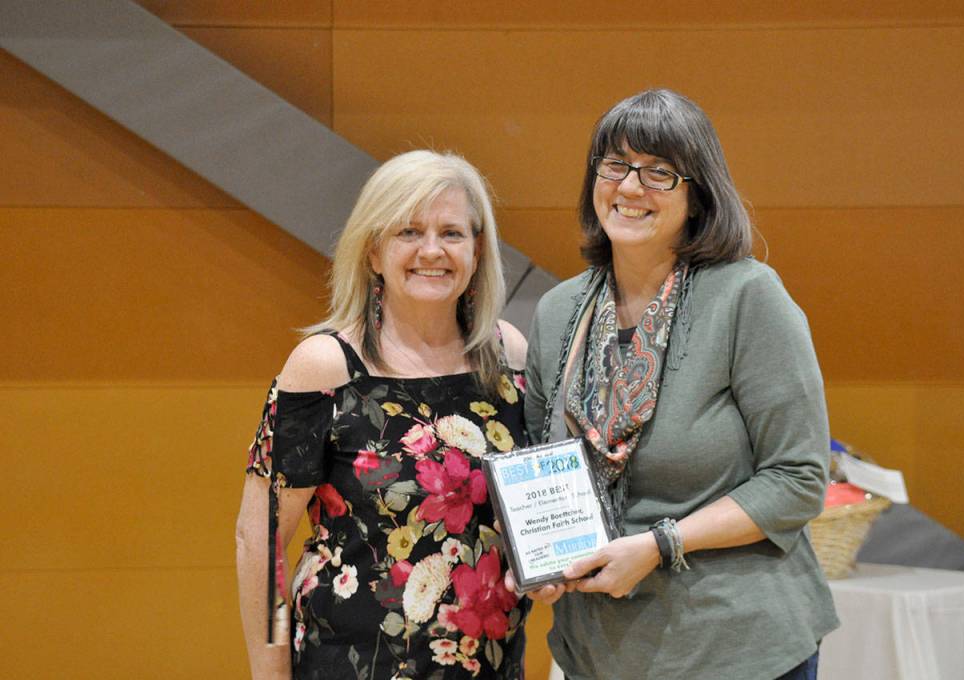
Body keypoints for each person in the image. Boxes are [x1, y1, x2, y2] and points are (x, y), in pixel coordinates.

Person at [519, 89, 839, 679]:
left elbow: (799, 479)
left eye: (659, 172)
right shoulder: (559, 311)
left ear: (697, 196)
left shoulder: (747, 296)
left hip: (738, 650)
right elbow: (544, 465)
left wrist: (659, 545)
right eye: (614, 165)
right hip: (599, 653)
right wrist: (539, 557)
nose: (630, 187)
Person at [236, 150, 530, 680]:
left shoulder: (508, 357)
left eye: (452, 233)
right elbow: (261, 543)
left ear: (478, 249)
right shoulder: (323, 367)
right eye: (409, 232)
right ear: (373, 251)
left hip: (489, 667)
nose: (432, 251)